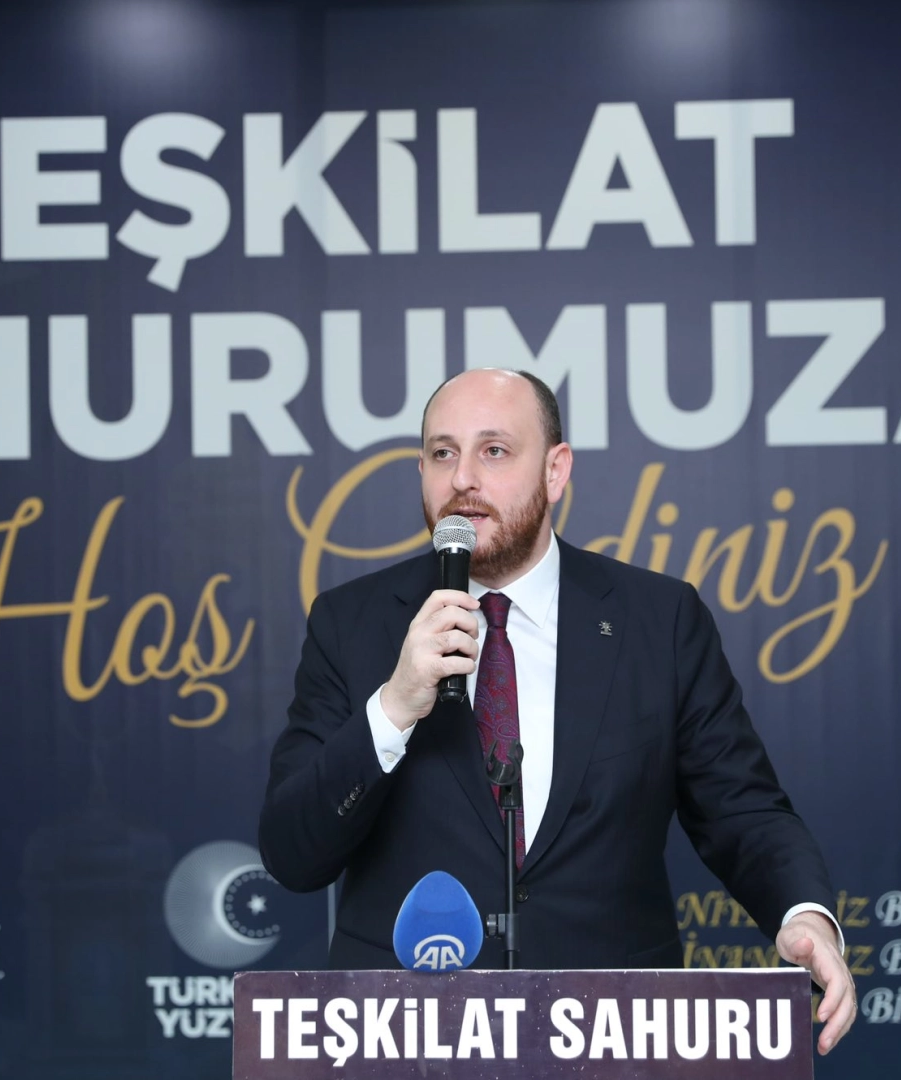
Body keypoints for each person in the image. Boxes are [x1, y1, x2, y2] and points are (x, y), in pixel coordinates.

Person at [258, 369, 855, 1055]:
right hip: (407, 1041)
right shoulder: (351, 623)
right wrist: (392, 708)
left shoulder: (659, 620)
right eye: (442, 453)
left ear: (555, 470)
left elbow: (740, 808)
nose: (462, 479)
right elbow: (293, 855)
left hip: (615, 1039)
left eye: (494, 451)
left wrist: (802, 913)